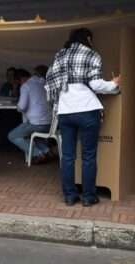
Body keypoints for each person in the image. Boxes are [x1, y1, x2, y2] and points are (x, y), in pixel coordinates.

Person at [45, 28, 121, 207]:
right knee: (88, 156)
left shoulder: (60, 56)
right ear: (88, 39)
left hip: (65, 112)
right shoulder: (91, 55)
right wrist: (114, 83)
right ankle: (88, 197)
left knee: (68, 156)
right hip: (87, 111)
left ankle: (70, 196)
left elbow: (50, 83)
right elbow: (96, 84)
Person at [8, 67, 53, 164]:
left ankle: (37, 153)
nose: (19, 84)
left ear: (22, 79)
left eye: (18, 82)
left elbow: (22, 107)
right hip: (51, 124)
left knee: (12, 136)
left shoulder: (26, 86)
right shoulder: (42, 83)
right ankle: (47, 151)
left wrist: (17, 106)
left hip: (38, 124)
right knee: (34, 134)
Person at [0, 67, 22, 151]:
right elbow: (1, 97)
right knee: (0, 126)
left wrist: (15, 90)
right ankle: (4, 149)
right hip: (6, 113)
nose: (9, 77)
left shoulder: (22, 85)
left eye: (11, 75)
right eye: (7, 75)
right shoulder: (5, 85)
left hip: (18, 114)